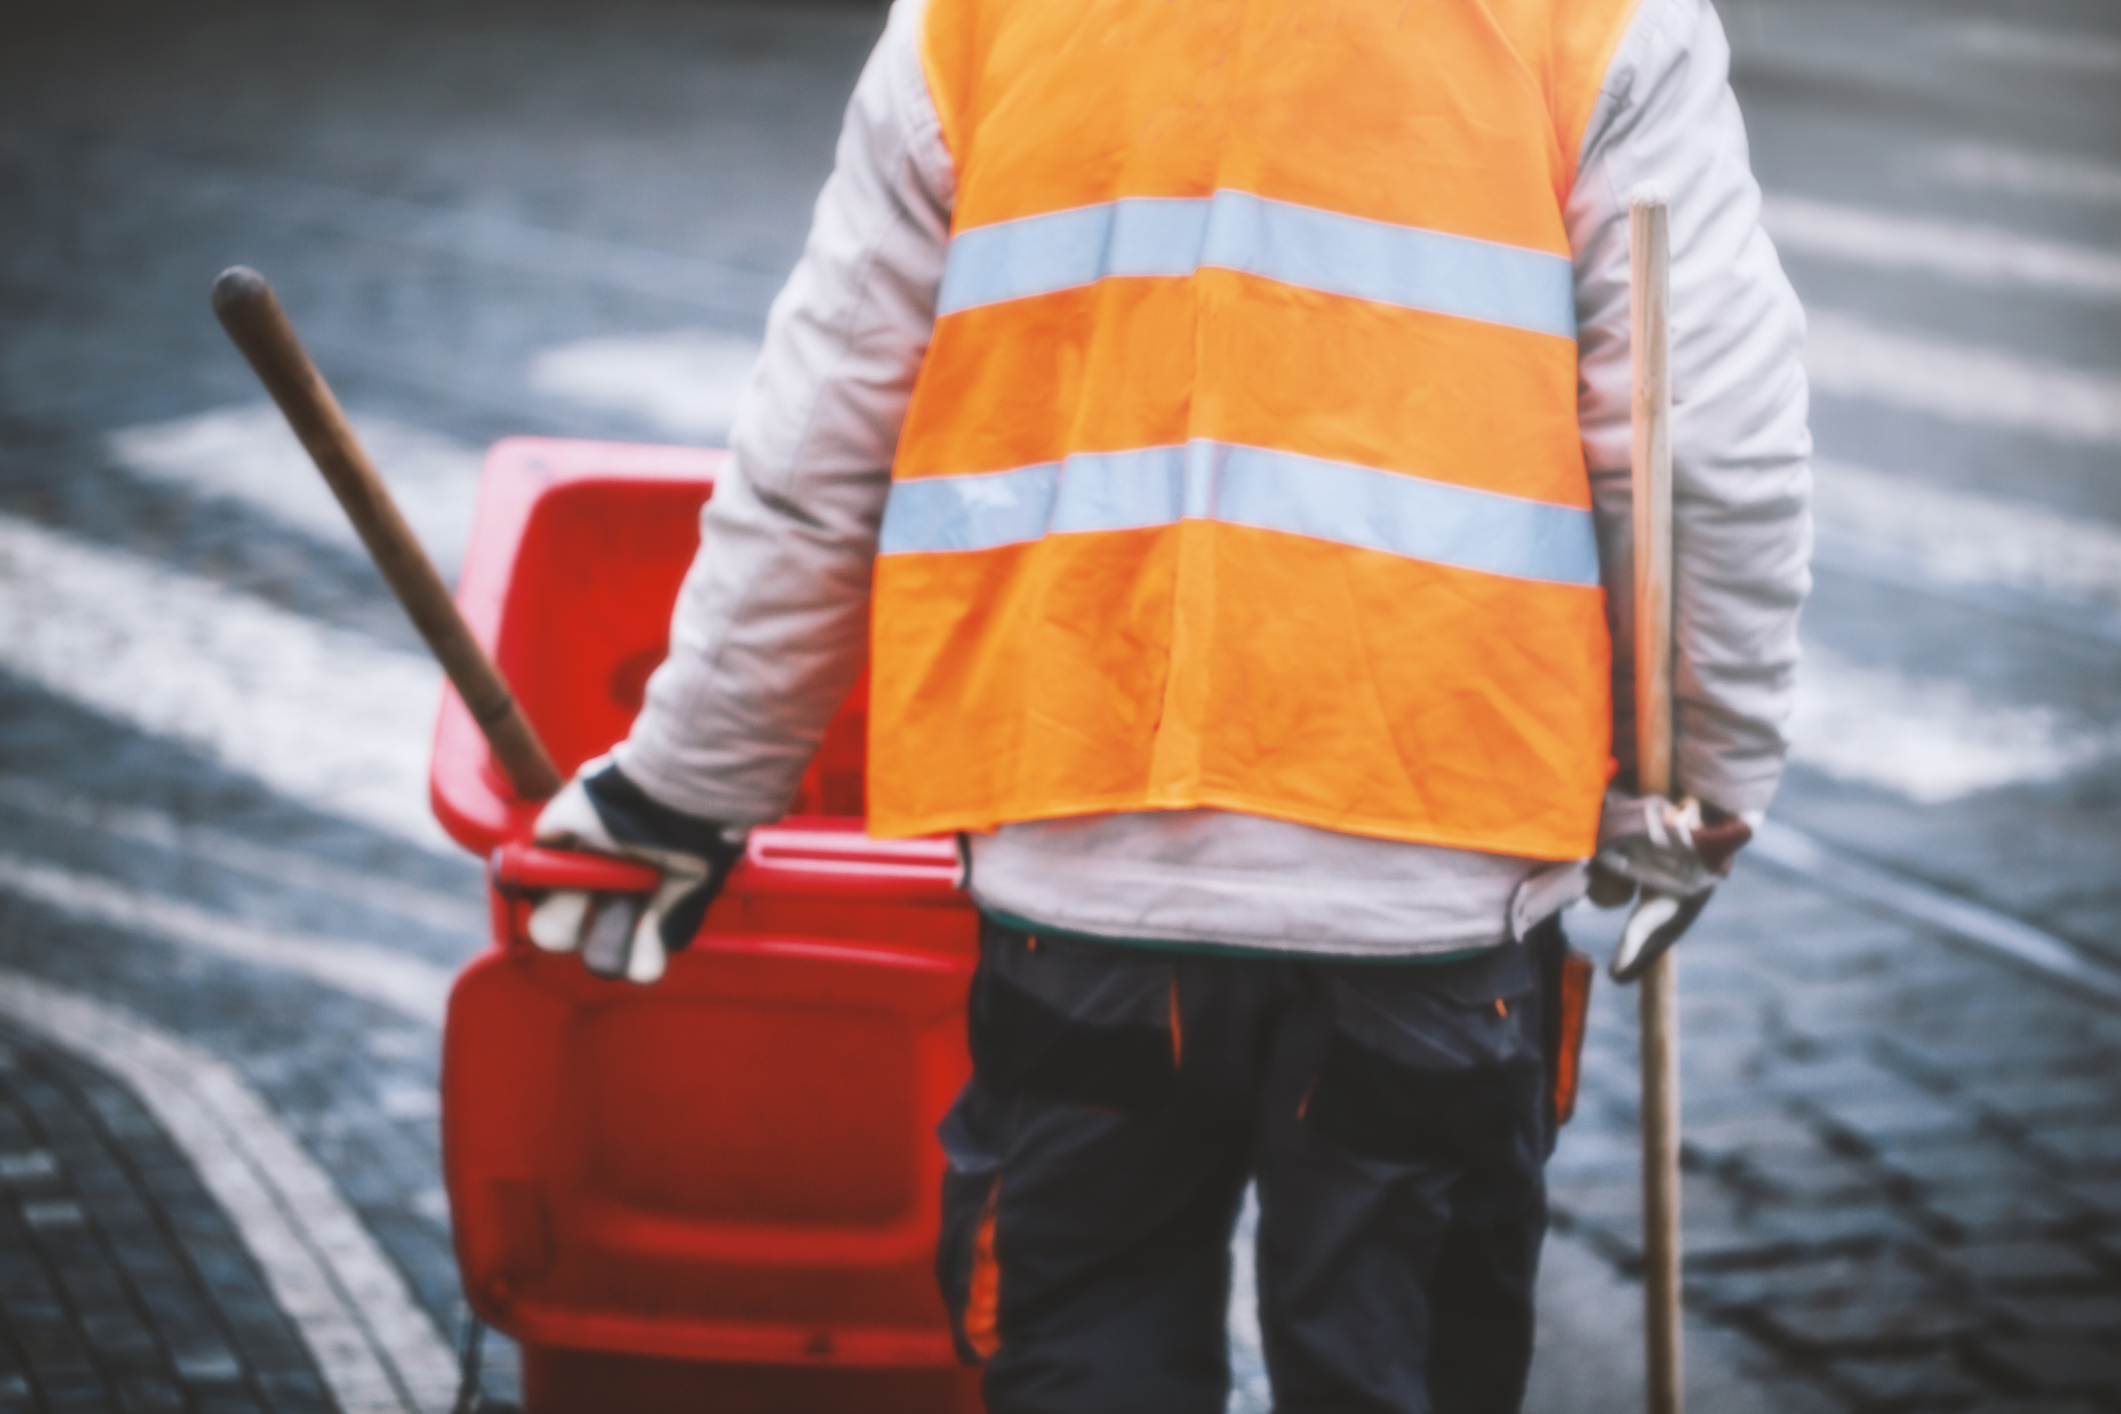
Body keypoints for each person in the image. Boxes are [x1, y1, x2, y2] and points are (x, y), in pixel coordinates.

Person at [528, 0, 1810, 1406]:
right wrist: (1698, 779)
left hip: (1082, 864)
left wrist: (688, 785)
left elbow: (821, 439)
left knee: (1090, 1352)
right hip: (1435, 861)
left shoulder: (970, 22)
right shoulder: (1604, 21)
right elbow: (1702, 456)